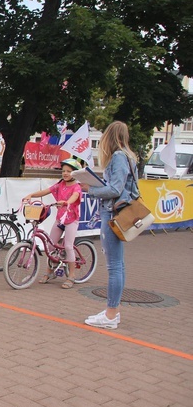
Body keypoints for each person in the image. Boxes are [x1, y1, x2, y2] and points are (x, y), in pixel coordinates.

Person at [80, 121, 137, 329]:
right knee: (118, 265)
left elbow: (115, 189)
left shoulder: (119, 157)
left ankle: (111, 314)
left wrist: (91, 189)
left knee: (114, 266)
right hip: (119, 212)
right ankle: (112, 311)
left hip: (112, 213)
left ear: (109, 137)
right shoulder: (129, 157)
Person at [23, 158, 83, 288]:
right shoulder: (60, 184)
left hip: (71, 220)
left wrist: (67, 202)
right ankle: (50, 272)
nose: (65, 173)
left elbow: (75, 197)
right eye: (63, 171)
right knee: (50, 246)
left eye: (69, 171)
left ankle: (71, 276)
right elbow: (45, 191)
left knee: (68, 246)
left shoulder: (76, 187)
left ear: (75, 173)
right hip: (60, 219)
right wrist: (31, 195)